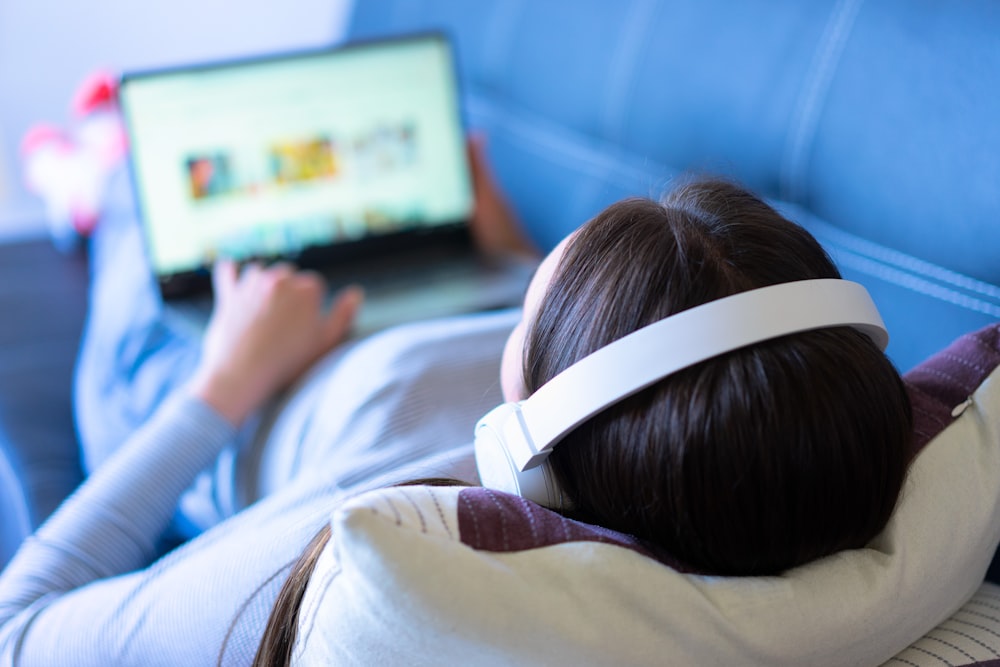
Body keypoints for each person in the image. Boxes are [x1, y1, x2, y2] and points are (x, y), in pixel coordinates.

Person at [0, 164, 912, 664]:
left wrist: (225, 381)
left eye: (526, 321)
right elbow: (647, 367)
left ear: (526, 444)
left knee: (136, 204)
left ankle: (89, 176)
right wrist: (515, 253)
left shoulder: (352, 547)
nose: (524, 316)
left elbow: (21, 628)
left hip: (256, 379)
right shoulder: (677, 438)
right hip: (365, 334)